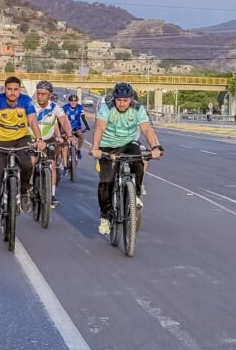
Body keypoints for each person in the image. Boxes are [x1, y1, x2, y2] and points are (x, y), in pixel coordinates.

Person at [91, 81, 163, 236]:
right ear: (114, 99)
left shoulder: (137, 108)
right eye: (119, 100)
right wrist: (96, 148)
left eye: (125, 100)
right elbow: (100, 128)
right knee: (106, 182)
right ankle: (105, 217)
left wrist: (156, 147)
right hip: (107, 146)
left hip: (128, 143)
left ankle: (135, 195)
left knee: (138, 162)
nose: (122, 103)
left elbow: (147, 129)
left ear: (131, 99)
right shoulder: (107, 108)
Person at [0, 76, 45, 230]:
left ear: (20, 90)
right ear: (4, 89)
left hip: (21, 139)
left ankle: (23, 191)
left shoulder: (26, 101)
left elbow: (33, 121)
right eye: (9, 89)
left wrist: (39, 139)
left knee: (28, 164)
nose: (12, 92)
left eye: (15, 89)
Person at [31, 80, 73, 208]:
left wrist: (69, 135)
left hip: (48, 140)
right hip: (32, 139)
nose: (40, 96)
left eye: (44, 94)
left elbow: (64, 122)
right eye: (38, 93)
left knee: (52, 165)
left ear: (49, 95)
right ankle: (29, 187)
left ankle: (52, 195)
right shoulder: (30, 106)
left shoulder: (56, 107)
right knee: (31, 162)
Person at [62, 93, 90, 160]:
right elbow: (62, 118)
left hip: (77, 126)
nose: (73, 103)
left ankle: (78, 150)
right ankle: (64, 156)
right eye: (72, 101)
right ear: (69, 102)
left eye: (75, 101)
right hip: (67, 127)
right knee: (64, 140)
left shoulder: (80, 107)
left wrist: (87, 126)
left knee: (81, 136)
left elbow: (83, 118)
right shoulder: (65, 107)